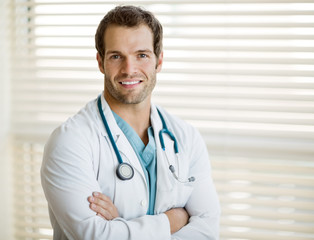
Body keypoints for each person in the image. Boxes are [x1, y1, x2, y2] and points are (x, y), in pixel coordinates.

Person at [41, 5, 220, 240]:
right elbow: (95, 236)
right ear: (100, 62)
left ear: (159, 61)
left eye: (142, 55)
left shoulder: (186, 138)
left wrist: (120, 225)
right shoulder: (69, 142)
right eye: (116, 56)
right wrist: (173, 220)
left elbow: (207, 232)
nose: (129, 69)